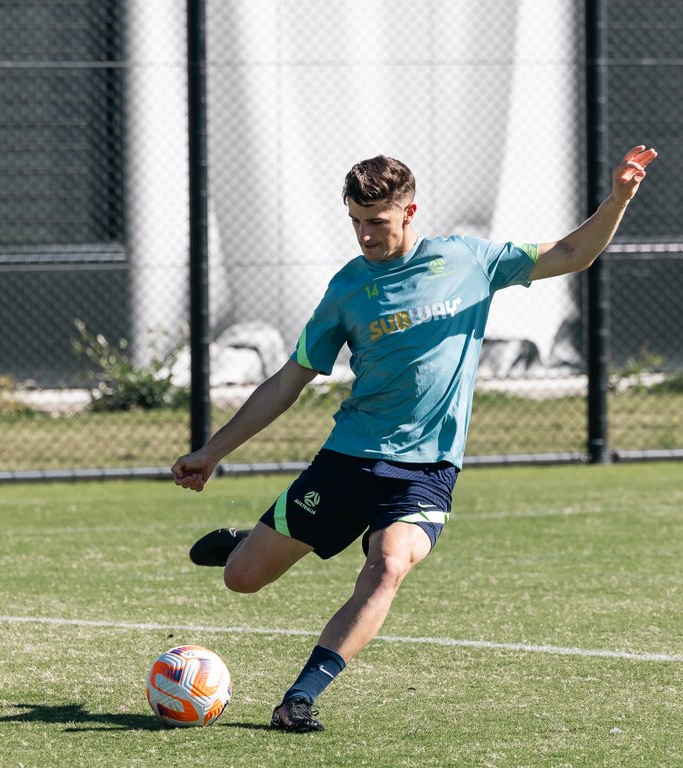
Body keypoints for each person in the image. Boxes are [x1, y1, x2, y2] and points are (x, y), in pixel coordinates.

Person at [171, 146, 657, 732]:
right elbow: (286, 383)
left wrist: (620, 198)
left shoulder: (467, 260)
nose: (364, 235)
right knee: (241, 580)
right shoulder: (348, 287)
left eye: (376, 221)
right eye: (354, 221)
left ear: (409, 212)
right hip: (348, 460)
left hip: (425, 471)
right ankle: (253, 540)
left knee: (387, 566)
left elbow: (575, 252)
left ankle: (299, 698)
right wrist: (211, 453)